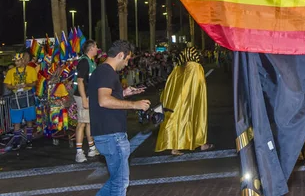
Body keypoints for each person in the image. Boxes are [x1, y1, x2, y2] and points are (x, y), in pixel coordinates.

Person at [89, 40, 150, 196]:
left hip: (107, 133)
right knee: (120, 182)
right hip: (112, 135)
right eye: (127, 59)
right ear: (120, 55)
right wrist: (134, 104)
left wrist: (123, 93)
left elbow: (102, 97)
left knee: (116, 180)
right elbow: (104, 100)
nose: (127, 63)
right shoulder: (107, 72)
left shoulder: (101, 71)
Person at [155, 47, 213, 155]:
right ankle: (201, 144)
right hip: (191, 101)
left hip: (176, 102)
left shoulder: (178, 68)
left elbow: (169, 86)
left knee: (175, 121)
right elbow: (200, 86)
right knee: (196, 119)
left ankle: (174, 147)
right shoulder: (197, 67)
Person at [3, 53, 37, 149]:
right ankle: (16, 141)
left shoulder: (31, 70)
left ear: (23, 60)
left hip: (28, 96)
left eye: (18, 61)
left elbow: (34, 83)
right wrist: (14, 86)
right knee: (16, 122)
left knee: (29, 120)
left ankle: (29, 139)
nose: (16, 63)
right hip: (16, 98)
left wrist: (26, 84)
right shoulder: (11, 72)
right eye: (15, 61)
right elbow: (7, 85)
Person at [74, 40, 100, 163]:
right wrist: (84, 99)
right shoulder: (84, 61)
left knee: (89, 122)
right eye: (96, 47)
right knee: (82, 123)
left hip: (89, 95)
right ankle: (79, 152)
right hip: (82, 96)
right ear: (91, 49)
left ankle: (92, 148)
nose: (97, 49)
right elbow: (80, 81)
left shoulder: (91, 61)